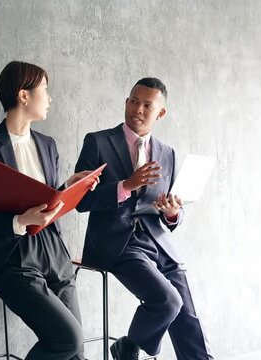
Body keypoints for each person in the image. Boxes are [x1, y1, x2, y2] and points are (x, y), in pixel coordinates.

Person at [0, 61, 98, 360]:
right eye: (45, 89)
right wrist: (20, 220)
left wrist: (70, 184)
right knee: (67, 341)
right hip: (10, 253)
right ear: (24, 96)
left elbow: (48, 194)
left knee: (76, 351)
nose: (50, 97)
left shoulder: (48, 145)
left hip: (52, 249)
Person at [73, 77, 214, 360]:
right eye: (133, 101)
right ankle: (128, 348)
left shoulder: (168, 154)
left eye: (147, 105)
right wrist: (126, 185)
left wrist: (173, 213)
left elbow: (176, 211)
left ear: (160, 113)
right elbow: (81, 201)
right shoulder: (98, 142)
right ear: (126, 102)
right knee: (168, 300)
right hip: (116, 244)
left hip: (158, 243)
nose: (137, 109)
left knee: (187, 313)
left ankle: (134, 348)